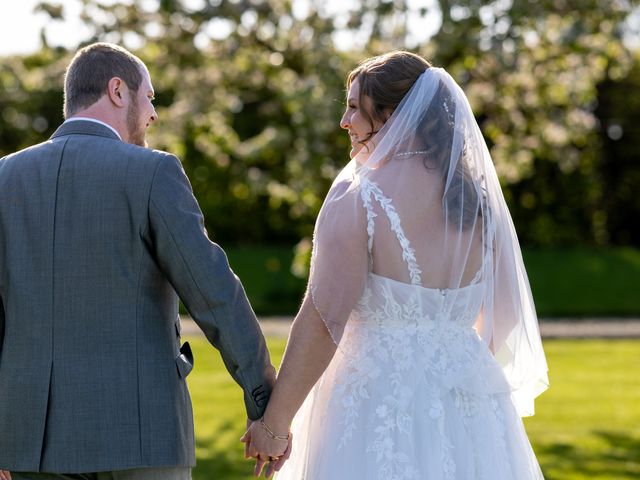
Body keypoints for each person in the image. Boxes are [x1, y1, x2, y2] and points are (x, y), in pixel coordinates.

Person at [243, 51, 549, 479]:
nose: (344, 122)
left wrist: (275, 425)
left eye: (354, 107)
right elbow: (506, 318)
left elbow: (322, 319)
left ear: (392, 114)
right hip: (471, 408)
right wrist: (451, 370)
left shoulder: (358, 197)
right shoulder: (477, 204)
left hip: (375, 402)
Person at [0, 42, 276, 480]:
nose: (153, 113)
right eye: (149, 97)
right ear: (117, 90)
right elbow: (214, 294)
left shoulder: (4, 178)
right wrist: (266, 404)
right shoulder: (153, 171)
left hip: (31, 442)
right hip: (141, 435)